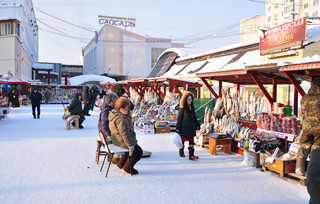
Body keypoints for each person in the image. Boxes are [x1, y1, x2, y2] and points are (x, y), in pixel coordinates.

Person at [109, 96, 143, 175]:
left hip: (117, 140)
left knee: (129, 151)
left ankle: (121, 164)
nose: (128, 108)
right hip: (121, 141)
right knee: (138, 151)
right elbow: (125, 134)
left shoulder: (115, 114)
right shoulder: (121, 118)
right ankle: (127, 168)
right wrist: (130, 145)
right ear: (121, 107)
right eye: (126, 107)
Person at [296, 78, 320, 176]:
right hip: (318, 129)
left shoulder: (304, 97)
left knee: (303, 148)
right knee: (316, 150)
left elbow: (302, 113)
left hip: (306, 128)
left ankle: (299, 169)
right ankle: (313, 173)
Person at [176, 91, 200, 160]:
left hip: (191, 127)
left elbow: (194, 117)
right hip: (184, 128)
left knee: (191, 142)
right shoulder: (182, 108)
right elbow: (179, 119)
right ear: (185, 100)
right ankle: (181, 151)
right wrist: (177, 128)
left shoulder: (192, 108)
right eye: (189, 99)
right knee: (182, 141)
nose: (190, 101)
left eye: (191, 99)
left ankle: (191, 155)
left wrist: (197, 124)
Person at [98, 92, 118, 164]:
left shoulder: (108, 109)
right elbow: (104, 125)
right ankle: (117, 158)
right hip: (107, 137)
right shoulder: (106, 111)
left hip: (107, 135)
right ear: (111, 101)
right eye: (115, 100)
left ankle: (118, 158)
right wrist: (109, 136)